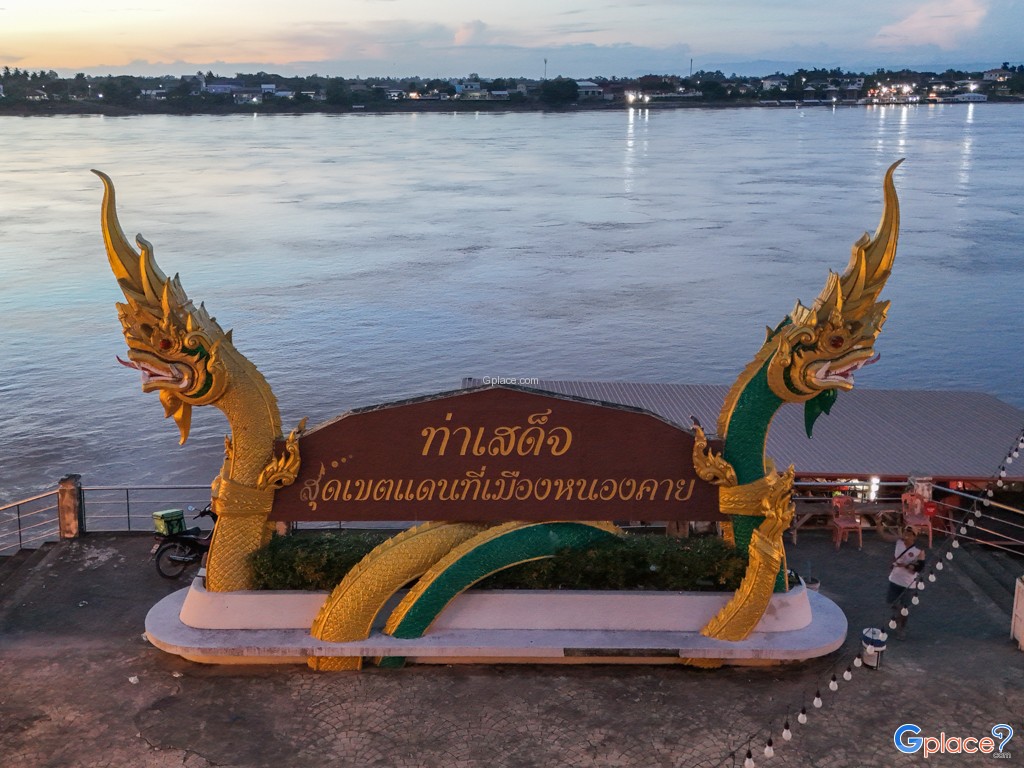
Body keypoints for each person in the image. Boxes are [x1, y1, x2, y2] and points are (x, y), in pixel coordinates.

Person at [887, 528, 925, 638]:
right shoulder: (899, 543)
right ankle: (897, 618)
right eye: (905, 533)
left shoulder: (919, 551)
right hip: (894, 580)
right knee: (892, 603)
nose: (907, 535)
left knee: (904, 609)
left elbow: (918, 568)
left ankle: (901, 628)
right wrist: (879, 525)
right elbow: (885, 536)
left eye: (910, 534)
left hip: (908, 584)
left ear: (914, 537)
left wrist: (905, 565)